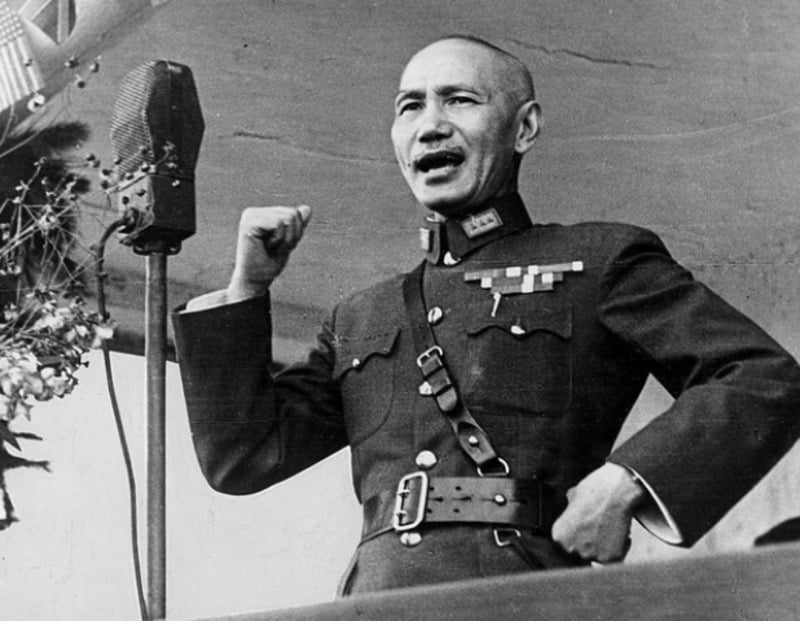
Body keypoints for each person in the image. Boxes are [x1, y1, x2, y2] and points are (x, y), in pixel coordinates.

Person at [172, 35, 800, 595]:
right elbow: (244, 457)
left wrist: (625, 481)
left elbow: (760, 376)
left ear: (523, 128)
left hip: (518, 593)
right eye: (410, 106)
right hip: (376, 598)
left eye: (460, 101)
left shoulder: (598, 259)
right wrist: (246, 287)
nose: (430, 124)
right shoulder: (362, 313)